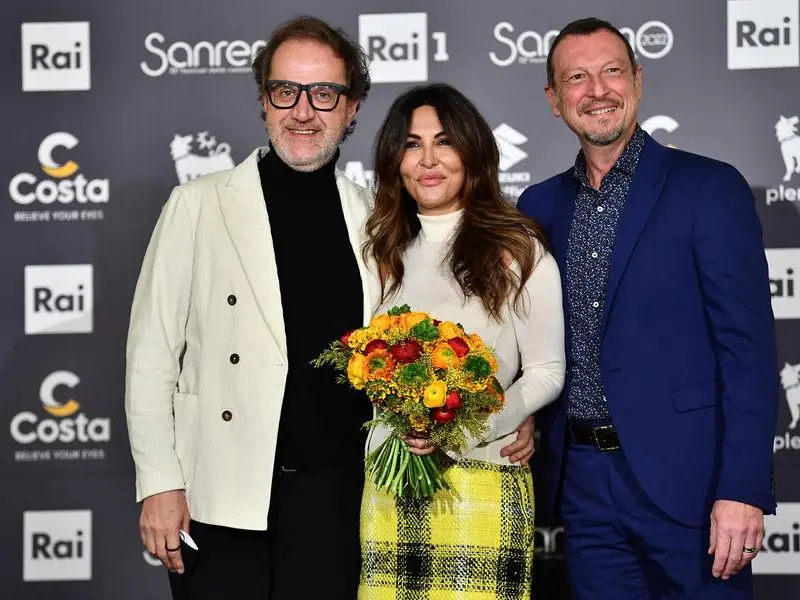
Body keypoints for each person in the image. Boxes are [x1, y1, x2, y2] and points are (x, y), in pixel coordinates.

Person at [125, 15, 535, 600]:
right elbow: (151, 358)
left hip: (341, 498)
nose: (303, 111)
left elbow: (444, 330)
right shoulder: (198, 205)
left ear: (351, 108)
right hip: (218, 497)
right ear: (264, 100)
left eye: (323, 93)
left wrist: (504, 409)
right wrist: (159, 484)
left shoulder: (379, 219)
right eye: (285, 91)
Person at [518, 17, 778, 600]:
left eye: (612, 71)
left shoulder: (709, 188)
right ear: (554, 99)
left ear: (637, 80)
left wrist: (742, 488)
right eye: (577, 78)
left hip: (692, 483)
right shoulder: (538, 205)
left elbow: (749, 352)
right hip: (583, 487)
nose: (597, 90)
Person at [358, 83, 566, 600]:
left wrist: (468, 429)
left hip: (484, 481)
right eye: (412, 144)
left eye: (444, 142)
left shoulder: (516, 248)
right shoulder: (379, 249)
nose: (428, 160)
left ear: (472, 152)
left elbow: (547, 371)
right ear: (395, 160)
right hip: (388, 485)